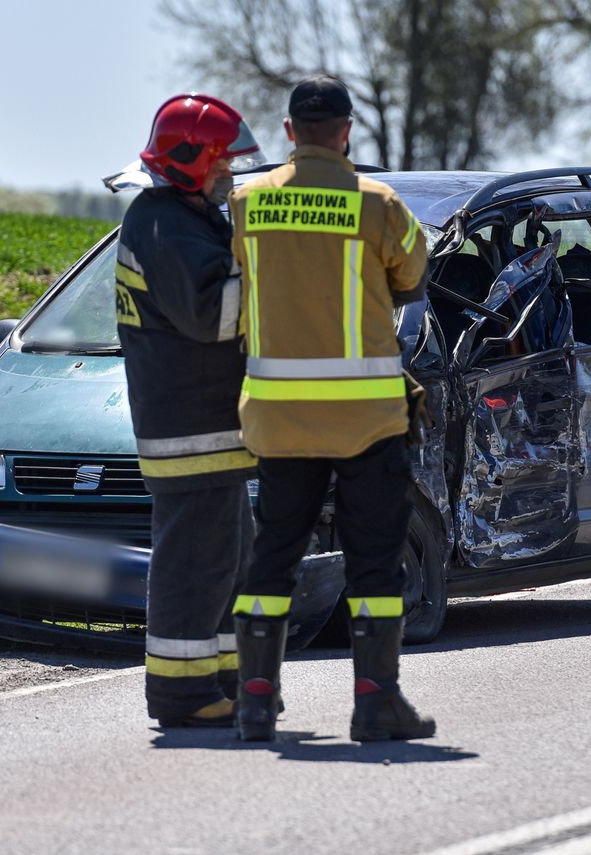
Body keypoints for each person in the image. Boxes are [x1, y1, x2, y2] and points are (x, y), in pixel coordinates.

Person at [228, 76, 435, 742]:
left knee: (273, 556)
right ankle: (377, 702)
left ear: (289, 131)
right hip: (366, 421)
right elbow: (412, 278)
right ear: (347, 131)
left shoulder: (246, 202)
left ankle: (256, 700)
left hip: (278, 419)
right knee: (374, 560)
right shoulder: (378, 205)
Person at [116, 94, 265, 726]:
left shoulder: (181, 216)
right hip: (190, 432)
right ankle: (182, 695)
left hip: (213, 430)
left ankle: (222, 682)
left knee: (227, 560)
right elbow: (215, 316)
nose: (230, 175)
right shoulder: (165, 225)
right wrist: (273, 269)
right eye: (223, 164)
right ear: (190, 163)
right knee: (195, 567)